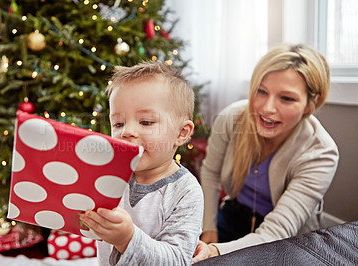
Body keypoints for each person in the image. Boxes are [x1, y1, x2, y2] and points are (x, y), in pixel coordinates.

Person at [193, 43, 339, 263]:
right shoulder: (231, 119)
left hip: (287, 237)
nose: (267, 108)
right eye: (261, 91)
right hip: (235, 212)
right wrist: (209, 229)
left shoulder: (321, 152)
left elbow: (277, 232)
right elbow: (211, 173)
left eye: (287, 98)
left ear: (312, 102)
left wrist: (214, 251)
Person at [79, 61, 204, 265]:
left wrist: (127, 239)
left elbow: (178, 260)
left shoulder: (186, 191)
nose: (126, 131)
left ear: (181, 133)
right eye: (118, 123)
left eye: (146, 122)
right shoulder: (108, 177)